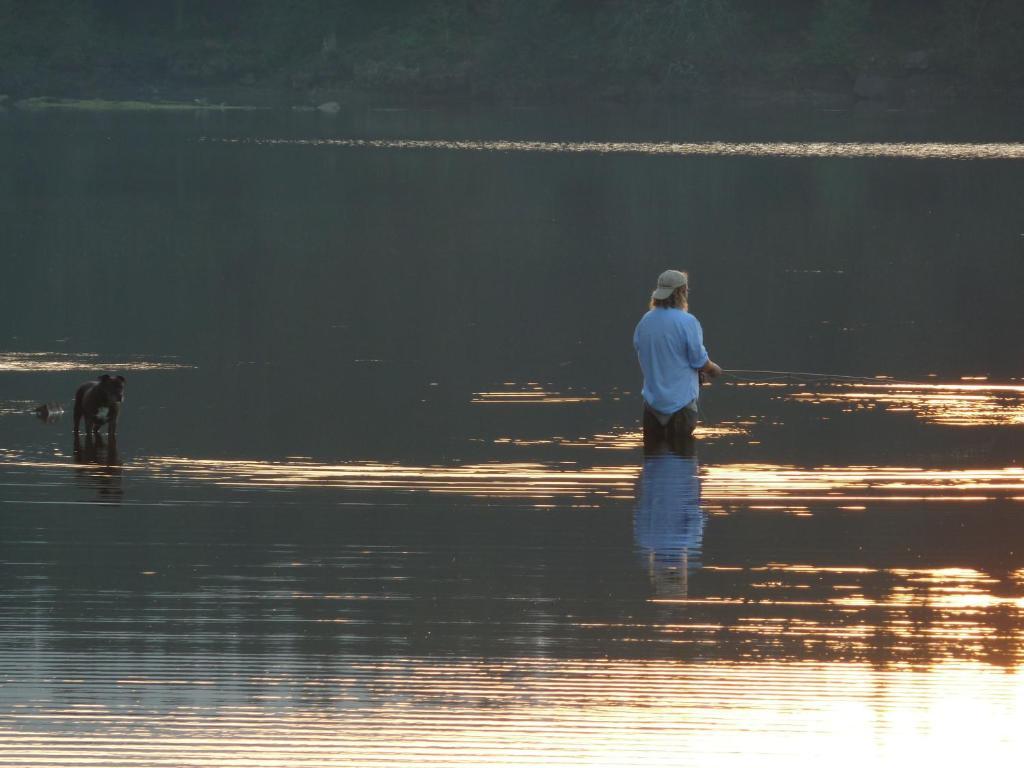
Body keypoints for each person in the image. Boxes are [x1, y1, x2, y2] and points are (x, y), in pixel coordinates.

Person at [633, 269, 721, 446]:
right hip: (681, 408)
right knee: (683, 459)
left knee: (653, 466)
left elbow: (649, 356)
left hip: (652, 407)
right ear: (681, 292)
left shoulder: (645, 322)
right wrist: (714, 370)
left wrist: (693, 373)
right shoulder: (687, 322)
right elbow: (699, 360)